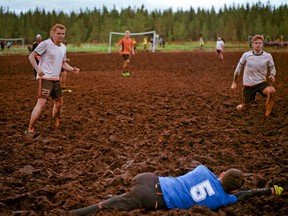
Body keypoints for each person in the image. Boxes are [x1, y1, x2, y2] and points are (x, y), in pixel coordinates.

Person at [69, 164, 283, 216]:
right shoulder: (222, 200)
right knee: (109, 206)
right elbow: (245, 195)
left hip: (149, 178)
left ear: (221, 174)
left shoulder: (202, 170)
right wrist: (269, 191)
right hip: (153, 198)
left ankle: (113, 199)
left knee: (123, 199)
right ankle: (76, 213)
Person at [25, 23, 80, 138]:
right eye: (58, 33)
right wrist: (38, 69)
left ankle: (56, 122)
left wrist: (72, 69)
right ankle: (30, 129)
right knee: (41, 103)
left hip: (56, 79)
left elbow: (63, 63)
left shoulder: (63, 47)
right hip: (45, 79)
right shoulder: (45, 44)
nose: (61, 36)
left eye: (63, 34)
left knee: (59, 102)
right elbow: (31, 56)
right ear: (52, 33)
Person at [231, 34, 276, 117]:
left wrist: (272, 74)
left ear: (262, 44)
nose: (258, 45)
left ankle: (267, 117)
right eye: (256, 43)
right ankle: (240, 106)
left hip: (261, 83)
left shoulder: (268, 56)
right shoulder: (246, 55)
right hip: (249, 84)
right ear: (252, 44)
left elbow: (272, 68)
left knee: (272, 92)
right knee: (245, 108)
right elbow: (238, 69)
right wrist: (234, 82)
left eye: (259, 43)